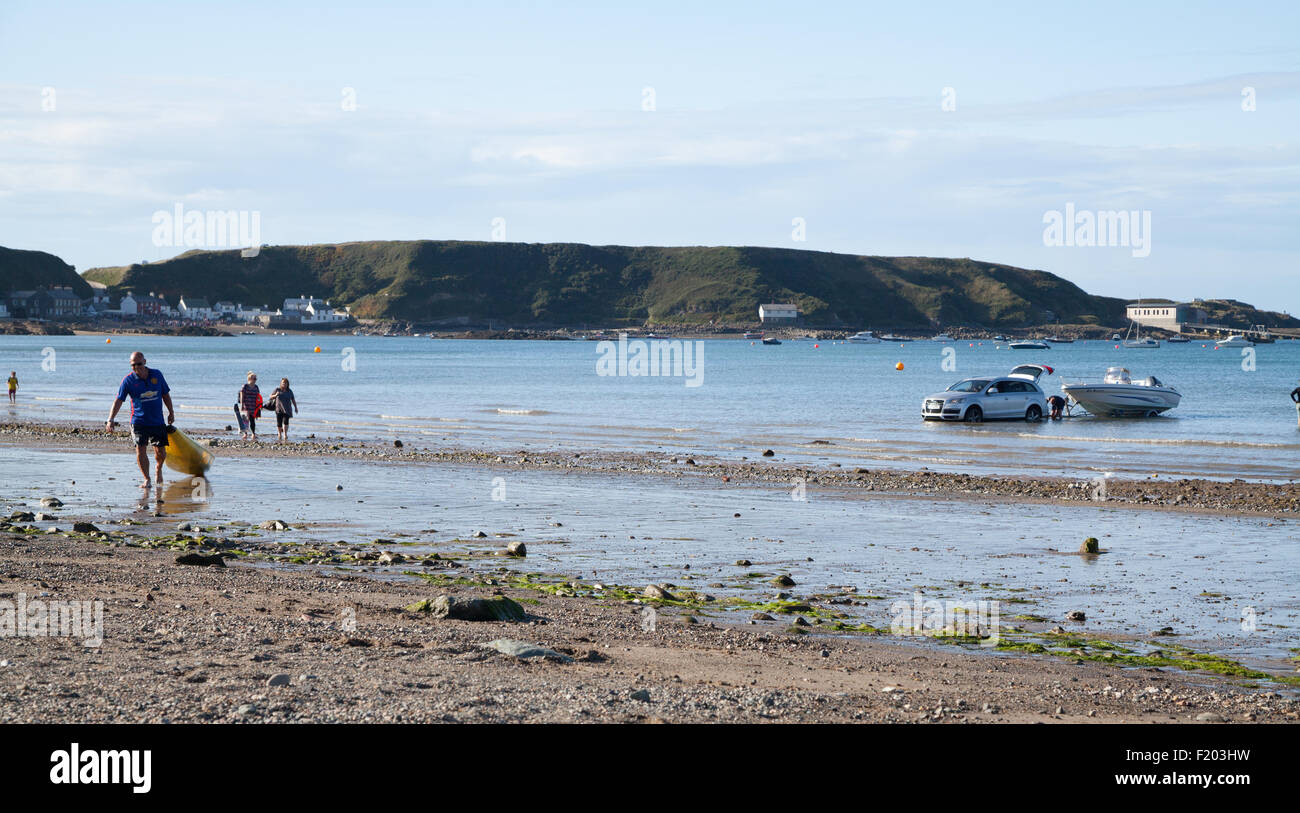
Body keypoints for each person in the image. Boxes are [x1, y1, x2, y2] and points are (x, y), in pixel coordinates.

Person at [106, 351, 174, 489]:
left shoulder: (157, 375)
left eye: (139, 364)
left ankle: (158, 469)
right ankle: (147, 479)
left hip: (157, 421)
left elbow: (165, 395)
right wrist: (110, 419)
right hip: (138, 421)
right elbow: (119, 400)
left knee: (161, 453)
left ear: (145, 361)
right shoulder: (128, 380)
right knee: (140, 450)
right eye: (133, 365)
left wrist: (171, 412)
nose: (136, 367)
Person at [270, 377, 299, 443]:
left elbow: (293, 400)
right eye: (283, 383)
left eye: (286, 383)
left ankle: (285, 434)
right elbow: (270, 397)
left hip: (287, 409)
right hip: (279, 408)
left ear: (287, 384)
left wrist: (296, 408)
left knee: (286, 422)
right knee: (279, 422)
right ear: (281, 383)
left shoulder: (289, 391)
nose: (284, 384)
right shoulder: (277, 389)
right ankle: (280, 433)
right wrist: (275, 395)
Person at [239, 371, 262, 441]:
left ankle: (253, 434)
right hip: (246, 405)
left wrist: (259, 406)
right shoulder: (245, 386)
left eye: (256, 378)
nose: (255, 380)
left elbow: (258, 397)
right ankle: (245, 434)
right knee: (245, 421)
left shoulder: (256, 387)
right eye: (254, 378)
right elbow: (242, 396)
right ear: (249, 379)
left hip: (254, 406)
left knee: (252, 420)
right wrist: (242, 405)